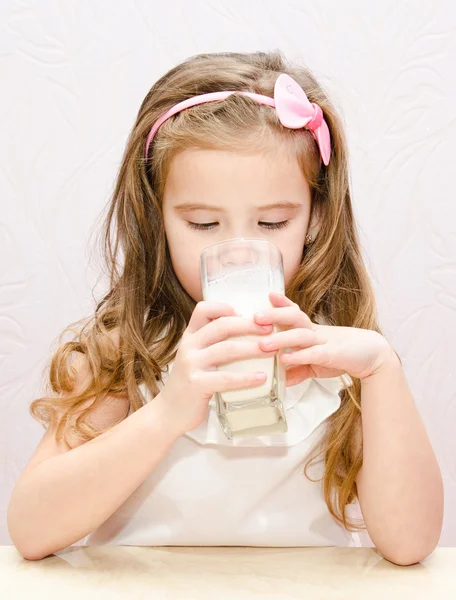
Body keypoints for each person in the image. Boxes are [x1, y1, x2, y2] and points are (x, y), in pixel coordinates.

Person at [7, 50, 443, 564]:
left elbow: (411, 545)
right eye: (204, 225)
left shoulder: (340, 362)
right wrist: (167, 413)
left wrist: (380, 370)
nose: (239, 252)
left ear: (316, 219)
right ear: (158, 219)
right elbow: (31, 531)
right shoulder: (126, 355)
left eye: (274, 223)